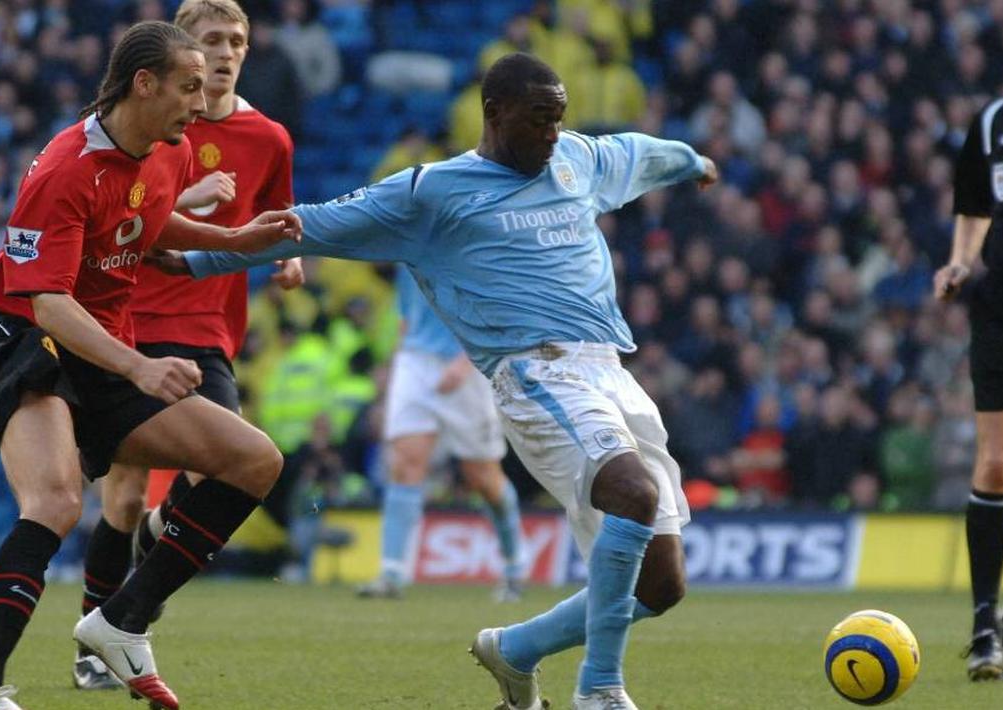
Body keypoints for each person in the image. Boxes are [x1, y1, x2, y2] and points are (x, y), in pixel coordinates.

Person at [160, 52, 719, 710]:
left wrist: (693, 162)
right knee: (629, 491)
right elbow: (304, 226)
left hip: (609, 371)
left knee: (661, 585)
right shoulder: (431, 193)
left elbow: (644, 154)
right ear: (493, 113)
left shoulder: (576, 159)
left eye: (558, 119)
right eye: (538, 119)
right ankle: (598, 690)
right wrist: (192, 258)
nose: (551, 132)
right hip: (534, 372)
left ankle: (514, 650)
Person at [0, 21, 300, 710]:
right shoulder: (63, 168)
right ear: (145, 84)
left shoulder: (163, 147)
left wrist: (232, 238)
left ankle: (118, 619)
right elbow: (47, 304)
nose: (201, 106)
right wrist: (139, 369)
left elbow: (152, 220)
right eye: (188, 88)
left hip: (106, 344)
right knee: (53, 502)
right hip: (33, 347)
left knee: (254, 460)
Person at [71, 0, 301, 692]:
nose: (225, 52)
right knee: (123, 495)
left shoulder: (270, 138)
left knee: (223, 471)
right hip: (129, 322)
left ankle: (138, 579)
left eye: (236, 40)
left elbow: (277, 216)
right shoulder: (159, 127)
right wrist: (188, 201)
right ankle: (97, 643)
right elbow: (115, 210)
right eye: (211, 41)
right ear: (183, 52)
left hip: (208, 330)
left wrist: (292, 257)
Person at [356, 264, 526, 601]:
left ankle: (514, 566)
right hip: (415, 360)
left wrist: (464, 363)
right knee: (404, 465)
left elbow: (495, 309)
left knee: (482, 477)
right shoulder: (409, 238)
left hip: (468, 362)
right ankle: (391, 573)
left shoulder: (470, 239)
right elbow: (406, 311)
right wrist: (395, 363)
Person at [935, 93, 1003, 682]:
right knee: (996, 466)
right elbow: (973, 206)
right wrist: (961, 261)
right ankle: (984, 626)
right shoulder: (998, 120)